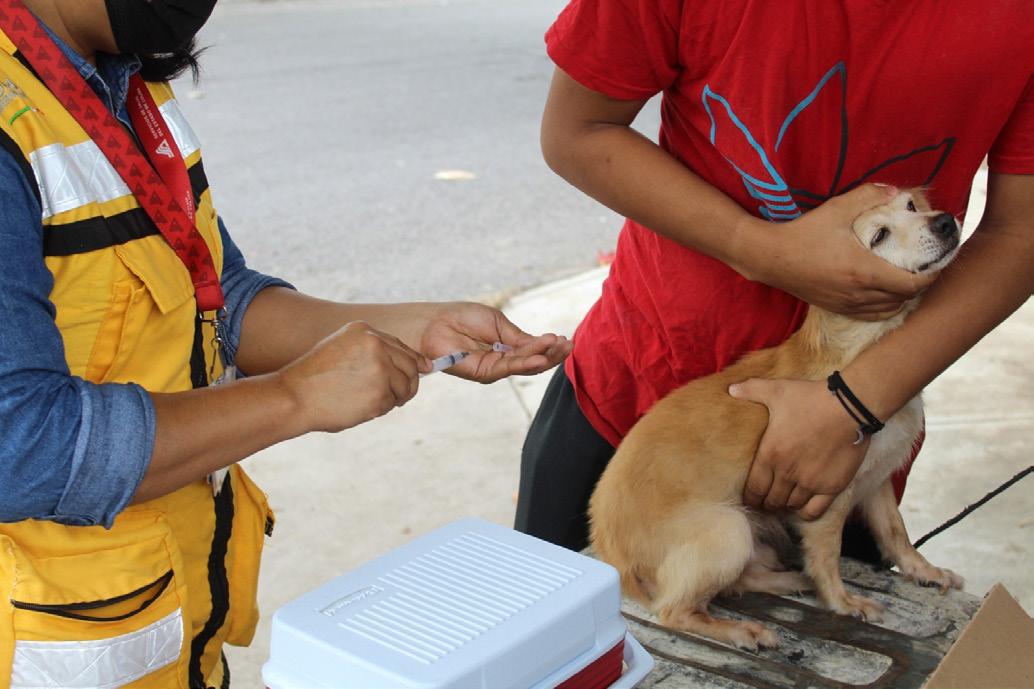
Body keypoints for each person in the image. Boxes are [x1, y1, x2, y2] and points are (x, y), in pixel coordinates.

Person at [0, 1, 571, 687]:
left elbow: (217, 292)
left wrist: (414, 328)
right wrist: (293, 398)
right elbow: (21, 445)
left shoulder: (124, 81)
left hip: (167, 621)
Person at [515, 0, 1034, 556]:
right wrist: (759, 250)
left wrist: (855, 402)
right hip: (636, 406)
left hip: (842, 447)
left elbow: (1020, 231)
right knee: (558, 611)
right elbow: (578, 129)